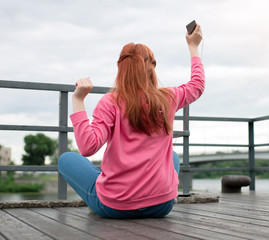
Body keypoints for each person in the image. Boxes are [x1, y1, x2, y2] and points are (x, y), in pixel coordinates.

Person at [58, 24, 205, 219]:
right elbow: (197, 84)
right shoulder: (168, 97)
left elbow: (88, 147)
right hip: (162, 205)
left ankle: (112, 187)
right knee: (174, 158)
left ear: (121, 68)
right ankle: (153, 193)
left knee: (66, 159)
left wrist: (78, 100)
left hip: (115, 207)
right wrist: (193, 46)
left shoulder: (110, 102)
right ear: (151, 68)